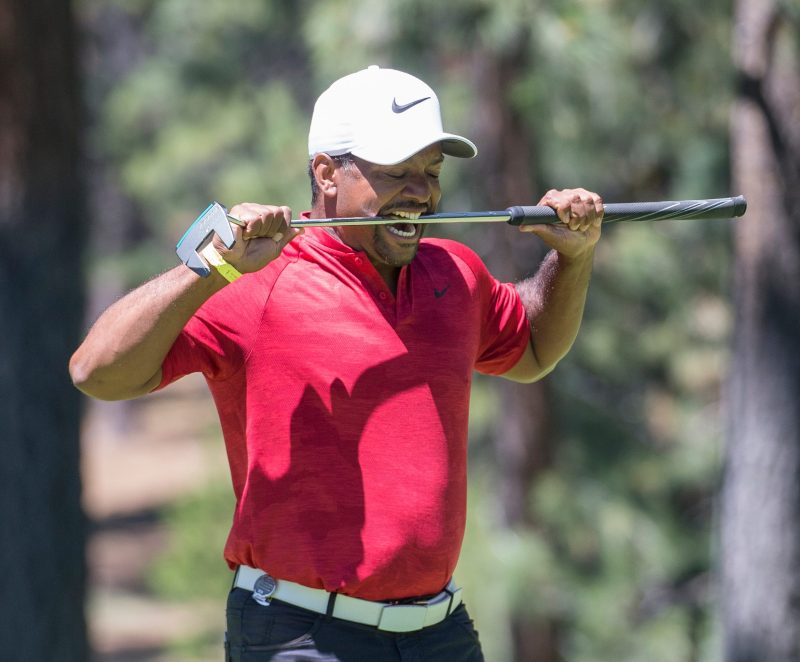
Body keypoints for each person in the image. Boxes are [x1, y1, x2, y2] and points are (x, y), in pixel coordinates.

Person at [70, 65, 603, 661]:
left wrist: (573, 258)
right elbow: (96, 372)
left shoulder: (454, 272)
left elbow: (532, 349)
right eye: (396, 172)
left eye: (431, 172)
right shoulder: (256, 283)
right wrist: (214, 267)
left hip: (439, 632)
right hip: (303, 635)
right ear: (326, 173)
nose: (421, 192)